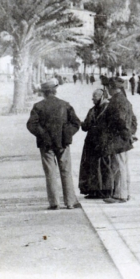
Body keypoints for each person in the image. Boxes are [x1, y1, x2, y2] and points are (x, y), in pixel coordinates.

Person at [26, 79, 82, 210]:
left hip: (46, 144)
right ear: (55, 91)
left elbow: (31, 125)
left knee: (50, 172)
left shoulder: (38, 106)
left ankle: (54, 202)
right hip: (63, 143)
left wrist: (43, 135)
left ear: (43, 93)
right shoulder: (65, 105)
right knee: (66, 171)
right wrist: (67, 135)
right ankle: (70, 202)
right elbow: (76, 123)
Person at [101, 77, 138, 204]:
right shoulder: (125, 100)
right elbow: (133, 120)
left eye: (108, 87)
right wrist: (131, 133)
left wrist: (126, 134)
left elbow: (120, 121)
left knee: (119, 166)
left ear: (112, 87)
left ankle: (120, 195)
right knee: (123, 166)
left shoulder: (116, 101)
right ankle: (125, 193)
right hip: (123, 138)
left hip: (117, 139)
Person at [78, 88, 111, 199]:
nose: (92, 99)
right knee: (102, 166)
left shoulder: (95, 110)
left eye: (95, 96)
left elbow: (85, 126)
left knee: (95, 166)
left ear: (102, 96)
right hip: (99, 141)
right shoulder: (106, 108)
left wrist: (79, 122)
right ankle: (103, 190)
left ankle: (96, 190)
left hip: (97, 141)